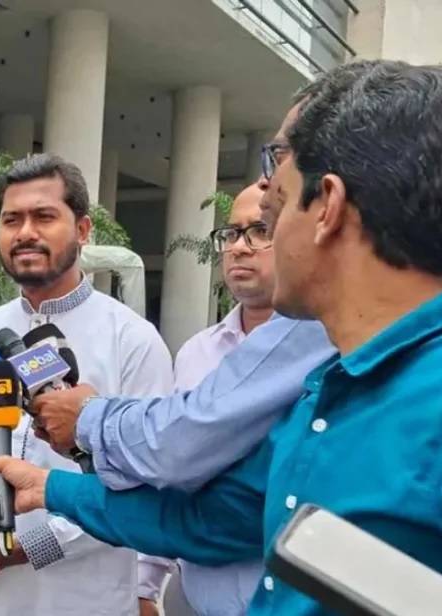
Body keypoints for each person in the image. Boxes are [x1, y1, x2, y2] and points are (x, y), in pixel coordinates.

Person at [0, 60, 442, 616]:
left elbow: (180, 439)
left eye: (277, 174)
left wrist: (87, 422)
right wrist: (50, 488)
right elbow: (213, 520)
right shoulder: (329, 387)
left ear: (327, 207)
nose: (262, 193)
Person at [0, 153, 175, 616]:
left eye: (44, 217)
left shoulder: (131, 341)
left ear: (82, 230)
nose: (25, 233)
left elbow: (142, 483)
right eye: (11, 220)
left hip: (80, 600)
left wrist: (26, 547)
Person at [138, 180, 276, 616]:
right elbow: (171, 472)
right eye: (231, 233)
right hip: (194, 598)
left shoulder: (331, 348)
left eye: (260, 231)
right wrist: (145, 584)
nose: (239, 247)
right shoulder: (198, 352)